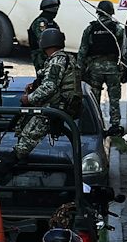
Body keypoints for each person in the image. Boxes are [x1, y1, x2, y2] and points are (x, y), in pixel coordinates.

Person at [8, 28, 81, 164]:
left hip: (59, 106)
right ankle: (16, 157)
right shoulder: (66, 58)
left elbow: (49, 87)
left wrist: (28, 98)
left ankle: (13, 159)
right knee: (25, 120)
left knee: (38, 120)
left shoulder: (57, 61)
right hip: (66, 104)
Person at [78, 0, 126, 130]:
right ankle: (115, 125)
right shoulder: (118, 29)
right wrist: (124, 70)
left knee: (94, 99)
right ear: (111, 12)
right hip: (113, 69)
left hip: (94, 70)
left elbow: (82, 51)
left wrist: (80, 71)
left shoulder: (90, 29)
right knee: (114, 99)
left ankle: (95, 125)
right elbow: (124, 51)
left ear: (98, 12)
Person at [26, 0, 61, 72]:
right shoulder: (40, 22)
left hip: (51, 54)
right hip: (40, 55)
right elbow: (42, 39)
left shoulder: (52, 23)